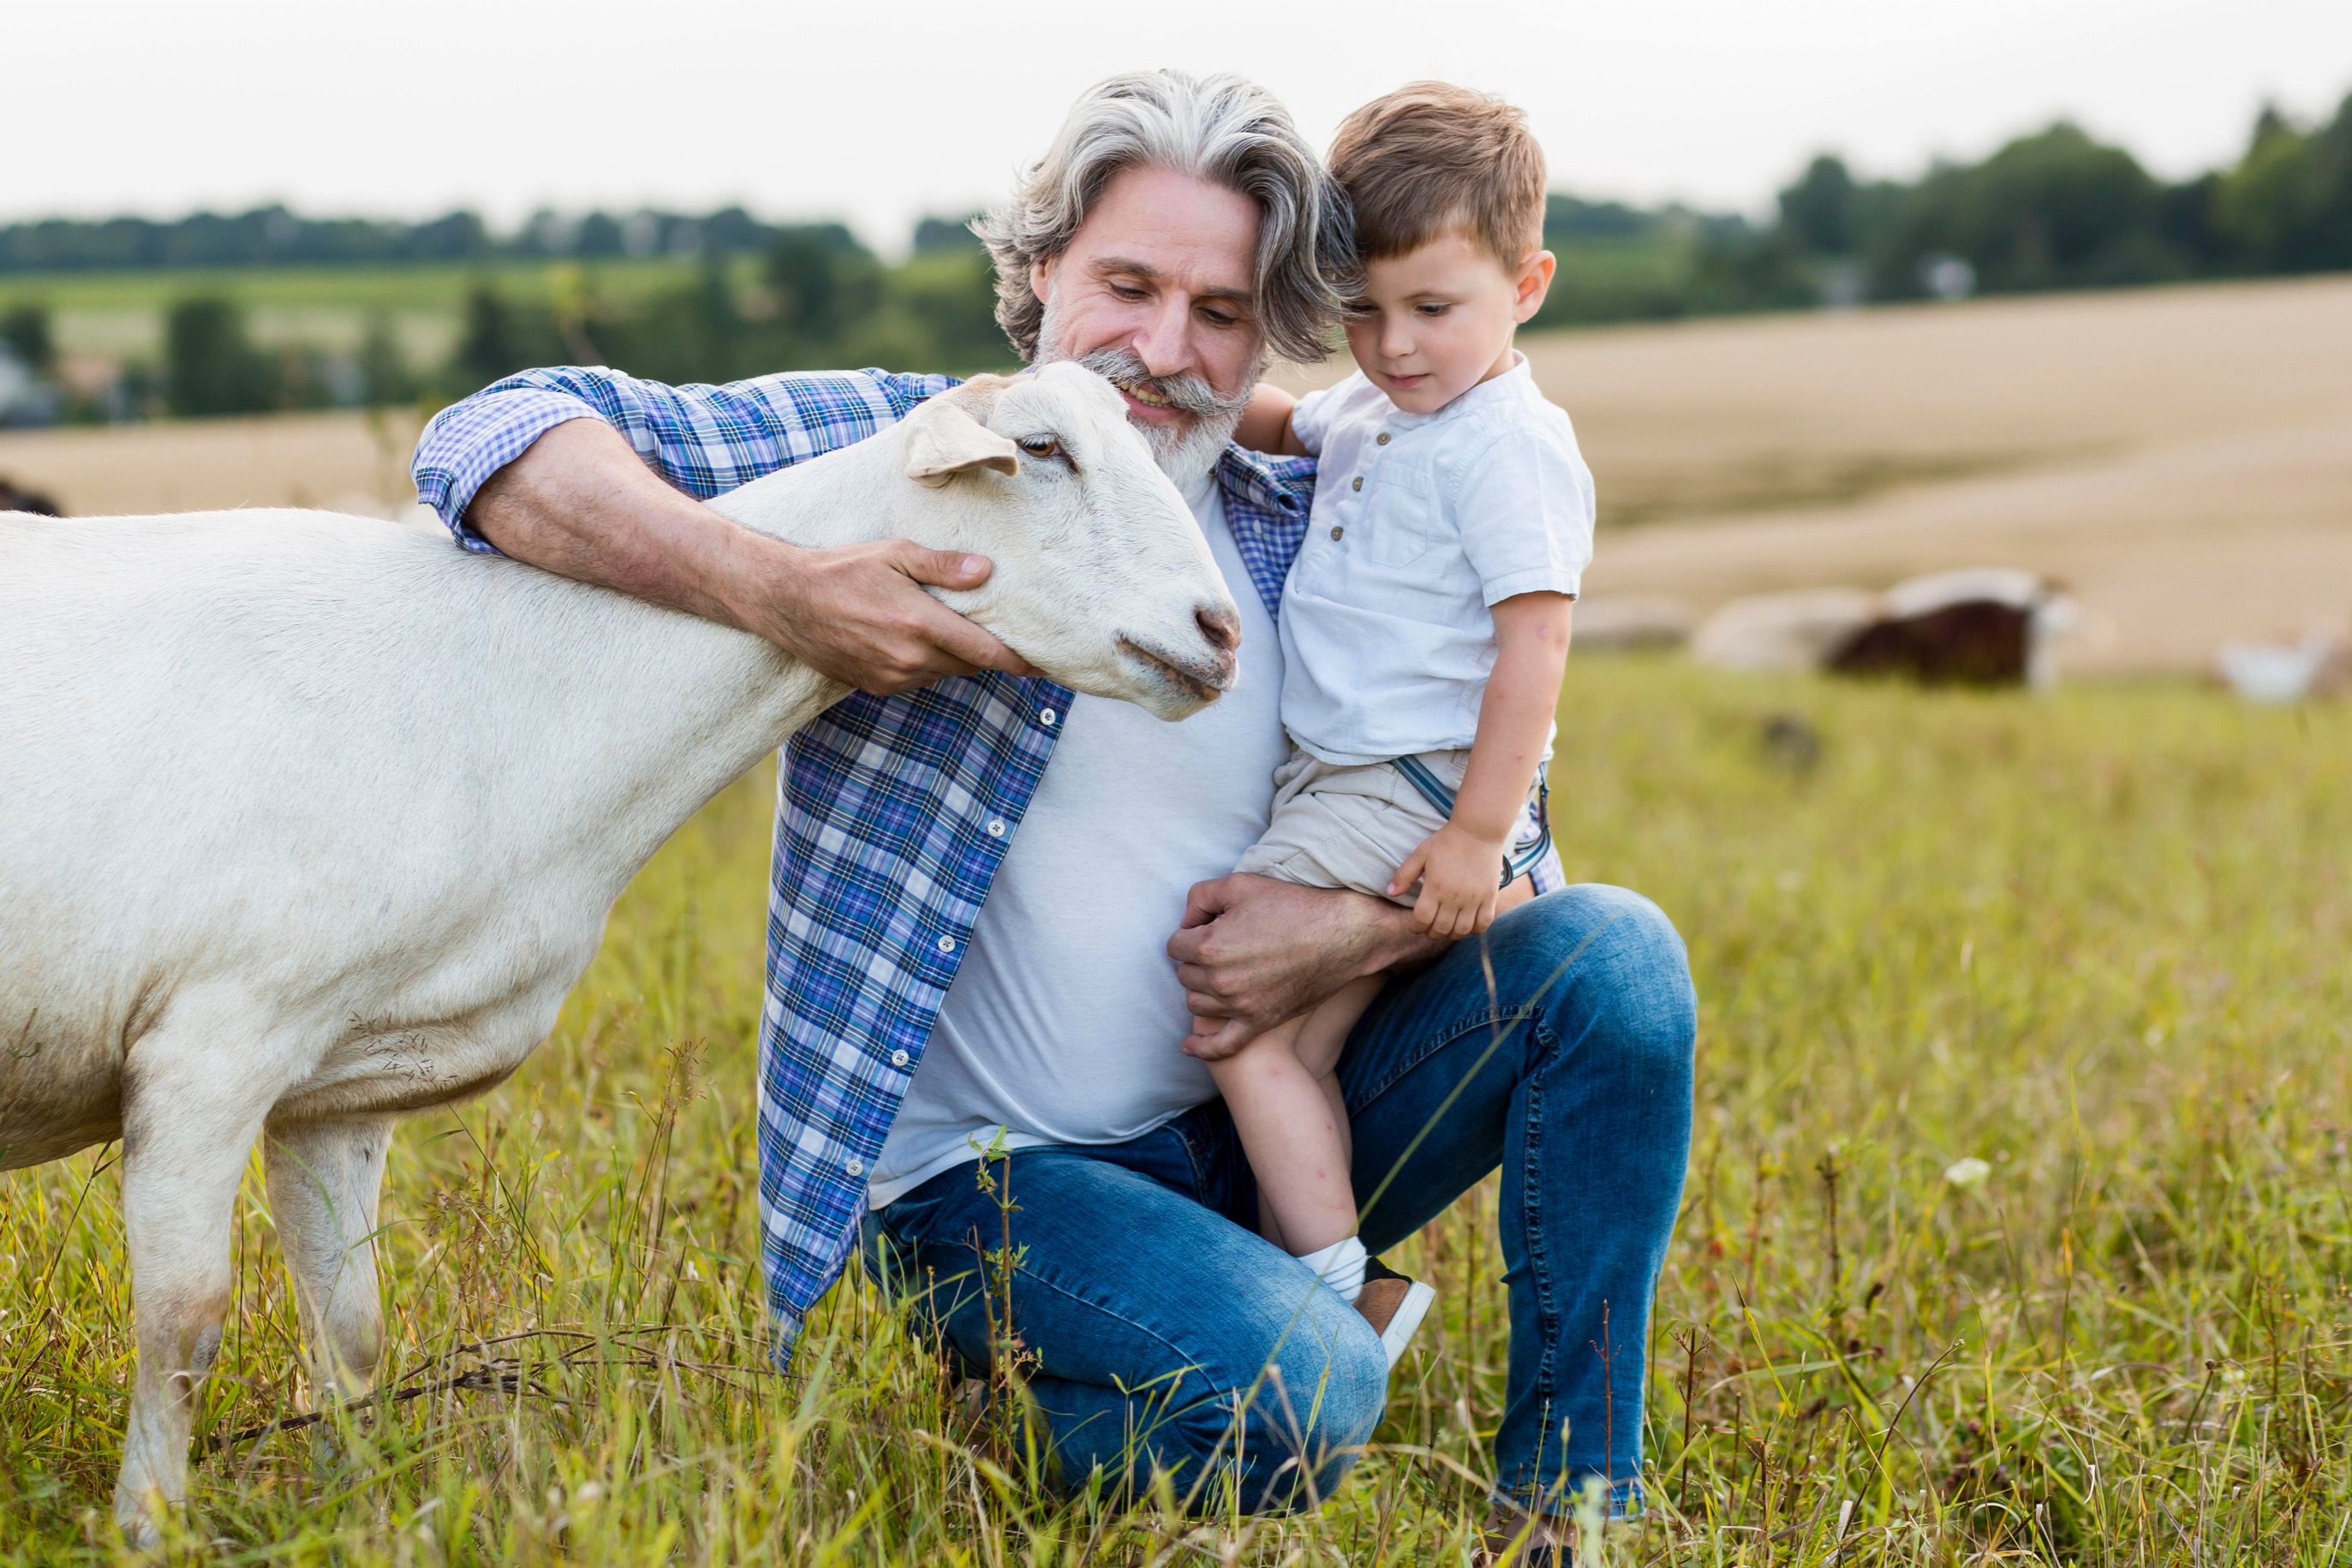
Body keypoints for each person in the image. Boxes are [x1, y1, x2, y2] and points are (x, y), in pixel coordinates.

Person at [411, 69, 1694, 1561]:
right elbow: (492, 433)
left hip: (1255, 1112)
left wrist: (1342, 930)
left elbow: (1486, 806)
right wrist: (780, 590)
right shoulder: (915, 456)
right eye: (1127, 286)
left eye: (1218, 310)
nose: (1165, 348)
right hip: (990, 1179)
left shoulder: (1310, 504)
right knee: (1301, 1396)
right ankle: (973, 1400)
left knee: (1614, 960)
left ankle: (1570, 1499)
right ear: (1036, 279)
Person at [1204, 84, 1588, 1373]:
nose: (1393, 343)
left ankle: (1330, 1305)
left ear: (1525, 283)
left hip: (1407, 786)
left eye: (1433, 308)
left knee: (1243, 1026)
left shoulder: (1509, 446)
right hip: (1353, 779)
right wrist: (1164, 401)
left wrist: (1480, 831)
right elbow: (1280, 422)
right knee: (1291, 1047)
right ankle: (1313, 1292)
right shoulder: (1375, 411)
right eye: (1359, 310)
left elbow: (1534, 646)